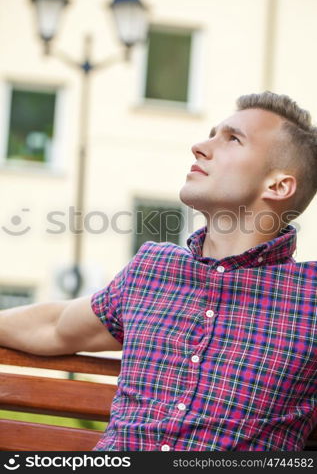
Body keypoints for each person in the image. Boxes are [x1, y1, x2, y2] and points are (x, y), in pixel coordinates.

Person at [1, 91, 317, 451]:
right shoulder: (153, 270)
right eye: (211, 134)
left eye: (232, 138)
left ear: (278, 185)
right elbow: (55, 326)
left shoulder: (310, 297)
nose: (199, 146)